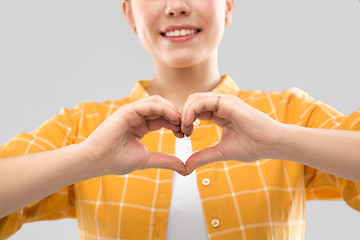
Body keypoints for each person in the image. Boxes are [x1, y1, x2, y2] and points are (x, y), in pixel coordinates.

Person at [1, 0, 360, 239]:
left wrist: (280, 140)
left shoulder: (287, 114)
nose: (175, 7)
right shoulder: (83, 126)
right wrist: (88, 158)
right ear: (128, 14)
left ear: (229, 6)